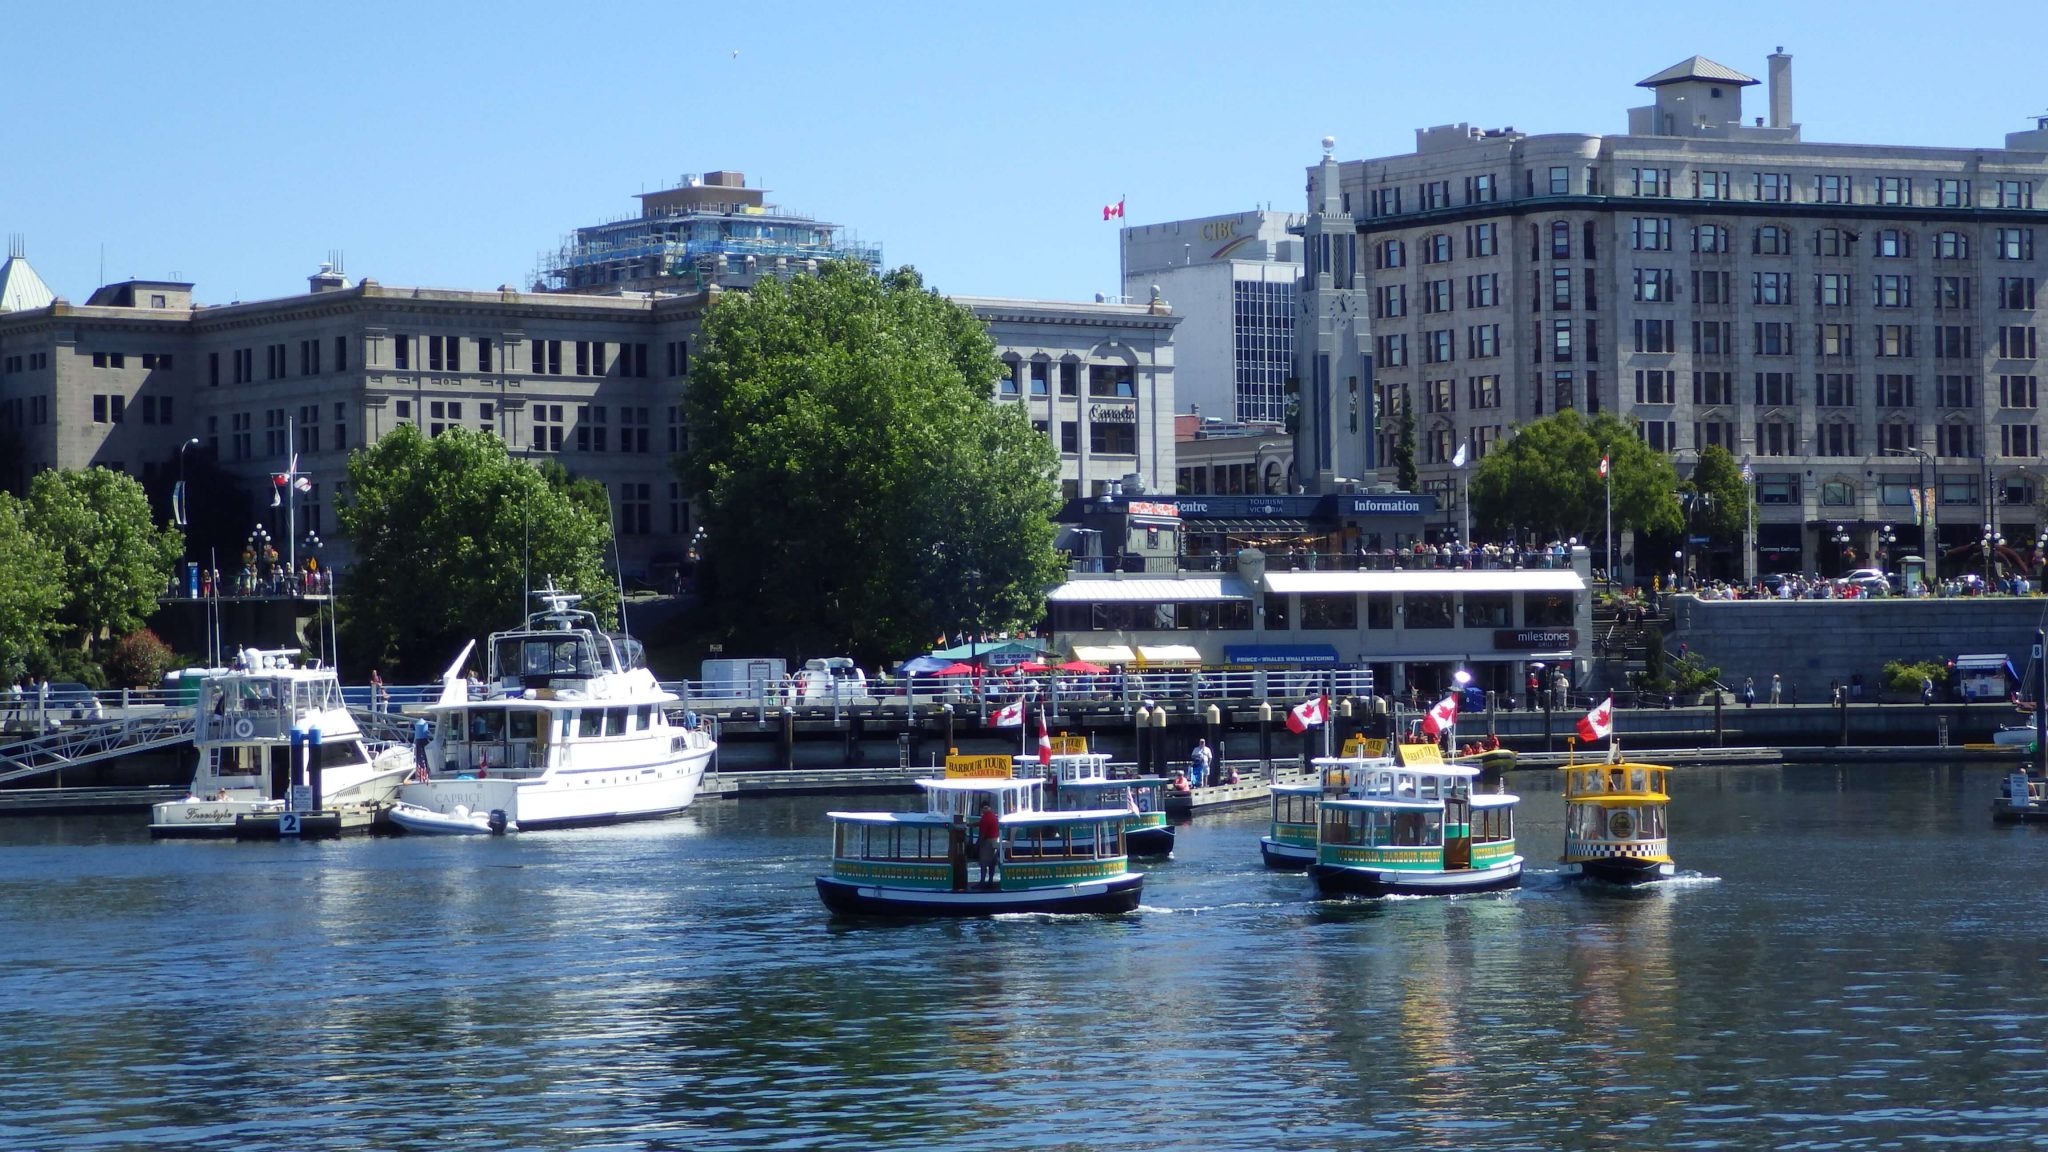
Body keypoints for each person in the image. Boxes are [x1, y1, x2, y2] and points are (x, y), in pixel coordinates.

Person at [976, 801, 1000, 886]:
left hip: (987, 842)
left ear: (983, 808)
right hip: (995, 840)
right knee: (992, 863)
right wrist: (975, 824)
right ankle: (990, 881)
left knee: (984, 863)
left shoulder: (985, 818)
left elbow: (983, 833)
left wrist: (977, 844)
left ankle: (982, 882)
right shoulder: (993, 816)